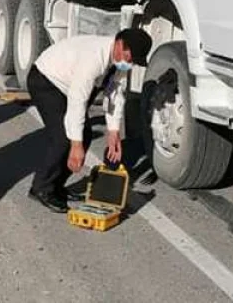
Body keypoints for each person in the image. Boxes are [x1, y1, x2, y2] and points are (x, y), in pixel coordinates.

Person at [25, 29, 153, 213]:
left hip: (66, 87)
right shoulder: (94, 58)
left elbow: (115, 95)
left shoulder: (119, 63)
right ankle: (41, 188)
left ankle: (56, 187)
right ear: (119, 44)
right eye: (129, 58)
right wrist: (76, 146)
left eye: (133, 61)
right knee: (63, 138)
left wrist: (114, 133)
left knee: (84, 136)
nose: (129, 63)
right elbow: (78, 100)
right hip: (46, 80)